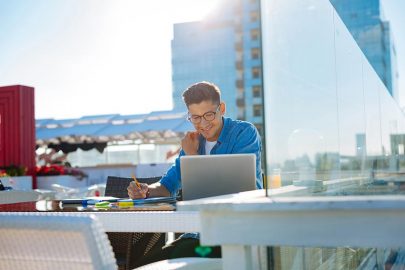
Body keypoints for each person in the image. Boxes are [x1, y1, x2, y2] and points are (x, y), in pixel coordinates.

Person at [127, 81, 262, 265]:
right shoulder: (193, 143)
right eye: (196, 118)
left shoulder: (243, 133)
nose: (203, 124)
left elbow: (237, 189)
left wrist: (192, 155)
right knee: (141, 265)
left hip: (236, 234)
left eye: (208, 115)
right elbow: (168, 185)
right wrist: (146, 190)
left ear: (221, 108)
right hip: (197, 235)